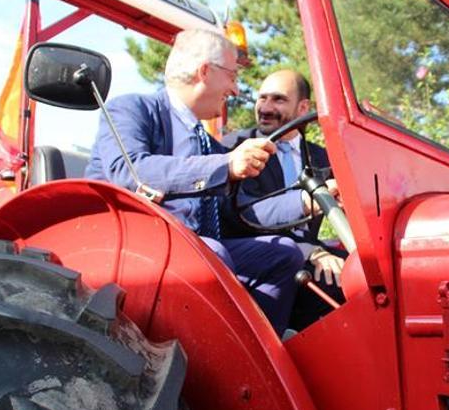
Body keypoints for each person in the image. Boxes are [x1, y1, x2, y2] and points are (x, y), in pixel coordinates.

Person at [85, 29, 312, 335]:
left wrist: (305, 201)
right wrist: (227, 164)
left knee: (283, 253)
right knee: (211, 255)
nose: (235, 89)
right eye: (232, 76)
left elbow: (243, 212)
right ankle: (218, 359)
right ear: (205, 71)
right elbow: (130, 171)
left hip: (194, 248)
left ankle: (261, 353)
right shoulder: (131, 109)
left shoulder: (209, 144)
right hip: (131, 244)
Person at [222, 69, 345, 330]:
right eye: (261, 98)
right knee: (338, 286)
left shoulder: (323, 157)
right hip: (260, 258)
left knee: (368, 275)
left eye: (277, 100)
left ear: (303, 108)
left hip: (311, 253)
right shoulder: (237, 148)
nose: (265, 108)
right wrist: (309, 251)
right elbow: (242, 217)